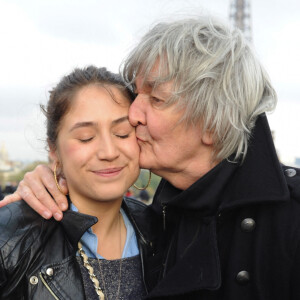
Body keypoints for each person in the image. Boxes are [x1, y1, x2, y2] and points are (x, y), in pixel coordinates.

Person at [2, 16, 300, 299]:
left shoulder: (287, 224)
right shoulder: (163, 218)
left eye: (156, 99)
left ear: (212, 122)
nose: (132, 114)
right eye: (136, 94)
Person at [0, 66, 152, 299]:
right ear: (54, 150)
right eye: (86, 138)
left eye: (122, 133)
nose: (109, 152)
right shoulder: (11, 239)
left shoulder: (163, 231)